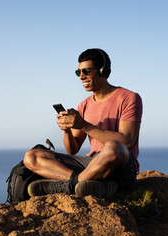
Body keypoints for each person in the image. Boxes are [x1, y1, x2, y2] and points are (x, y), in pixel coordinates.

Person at [23, 48, 143, 198]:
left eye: (86, 71)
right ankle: (84, 183)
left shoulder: (129, 98)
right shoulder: (84, 105)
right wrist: (67, 130)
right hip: (92, 163)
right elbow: (72, 150)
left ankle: (70, 184)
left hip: (119, 165)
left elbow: (127, 142)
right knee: (31, 156)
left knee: (113, 147)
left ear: (102, 70)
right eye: (78, 72)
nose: (81, 77)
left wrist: (84, 125)